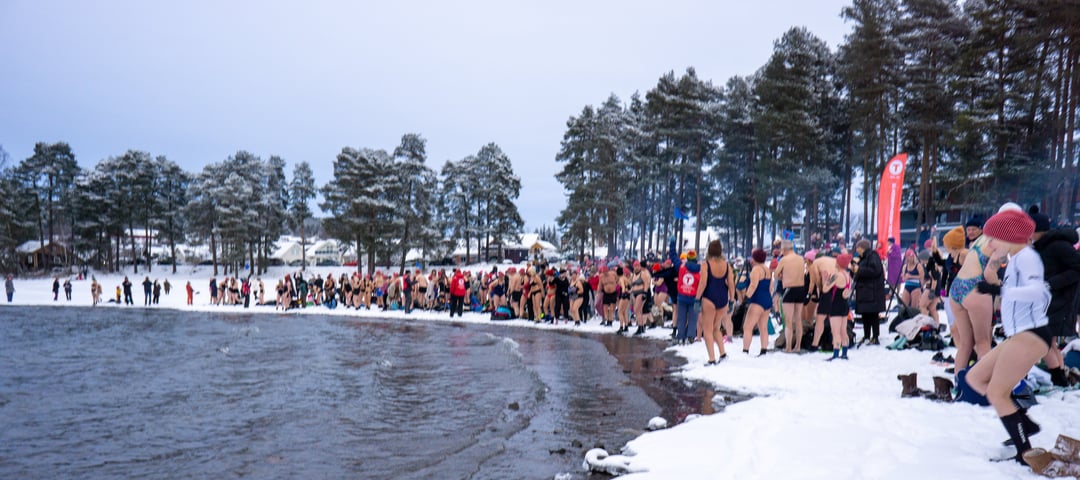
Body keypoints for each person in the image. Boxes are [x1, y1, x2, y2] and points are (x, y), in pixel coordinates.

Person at [964, 209, 1049, 464]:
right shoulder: (1015, 259)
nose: (988, 244)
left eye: (993, 239)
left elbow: (1037, 292)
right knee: (975, 377)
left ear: (1010, 237)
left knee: (997, 392)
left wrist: (1000, 289)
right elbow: (1017, 294)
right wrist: (998, 287)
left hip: (1031, 334)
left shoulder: (1027, 257)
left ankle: (1025, 453)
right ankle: (1023, 422)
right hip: (1019, 334)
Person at [1030, 206, 1080, 387]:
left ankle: (1059, 380)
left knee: (1042, 341)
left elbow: (1077, 268)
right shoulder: (1042, 247)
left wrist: (1051, 283)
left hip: (1060, 299)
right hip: (1049, 299)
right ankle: (1061, 379)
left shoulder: (1058, 246)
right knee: (1049, 341)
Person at [696, 240, 734, 364]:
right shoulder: (727, 265)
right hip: (723, 299)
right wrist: (732, 300)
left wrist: (697, 299)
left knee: (707, 329)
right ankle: (723, 354)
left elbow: (703, 283)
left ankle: (712, 359)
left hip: (709, 298)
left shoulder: (706, 264)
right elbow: (731, 284)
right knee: (716, 328)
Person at [774, 240, 806, 352]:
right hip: (801, 289)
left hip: (789, 289)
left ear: (784, 250)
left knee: (788, 320)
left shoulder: (784, 260)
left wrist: (783, 277)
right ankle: (797, 346)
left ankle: (788, 347)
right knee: (798, 320)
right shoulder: (801, 259)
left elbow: (776, 274)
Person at [852, 239, 886, 345]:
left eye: (858, 247)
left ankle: (875, 336)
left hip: (872, 291)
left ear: (862, 248)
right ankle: (866, 335)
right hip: (864, 291)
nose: (856, 250)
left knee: (873, 315)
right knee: (865, 314)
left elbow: (875, 271)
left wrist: (859, 270)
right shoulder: (863, 258)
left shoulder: (873, 256)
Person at [742, 248, 772, 356]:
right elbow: (771, 286)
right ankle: (763, 349)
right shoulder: (767, 269)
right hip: (767, 299)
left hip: (757, 300)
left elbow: (753, 285)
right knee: (763, 327)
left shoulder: (756, 270)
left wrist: (747, 296)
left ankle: (745, 350)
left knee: (747, 326)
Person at [825, 254, 854, 360]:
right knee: (843, 330)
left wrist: (826, 279)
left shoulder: (836, 275)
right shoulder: (848, 276)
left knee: (835, 331)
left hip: (835, 305)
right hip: (844, 305)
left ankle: (836, 353)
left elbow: (825, 288)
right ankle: (845, 353)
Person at [675, 250, 701, 345]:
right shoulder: (700, 270)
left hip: (682, 297)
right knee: (693, 319)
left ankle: (680, 337)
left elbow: (674, 258)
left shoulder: (681, 267)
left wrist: (672, 244)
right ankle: (690, 337)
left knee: (681, 318)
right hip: (694, 298)